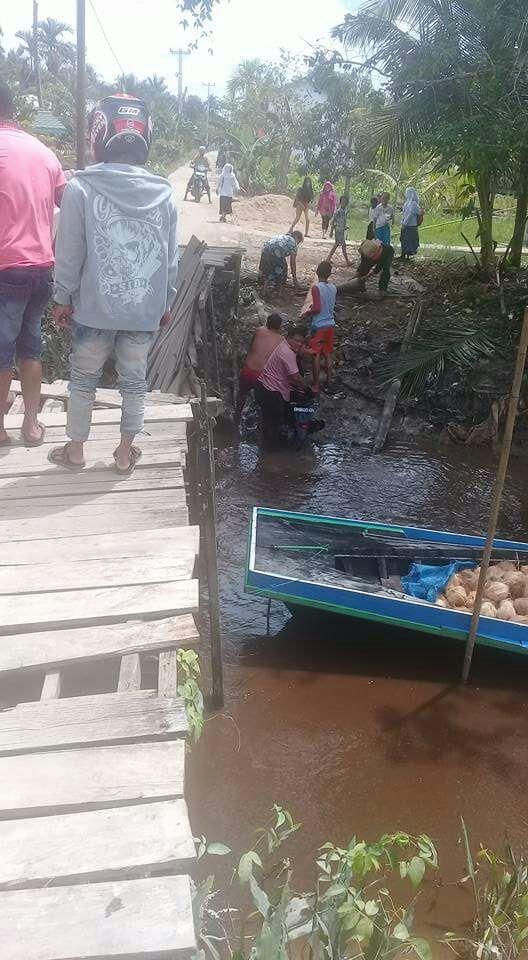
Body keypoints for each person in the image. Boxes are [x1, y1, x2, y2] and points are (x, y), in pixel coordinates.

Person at [49, 93, 179, 474]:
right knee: (134, 383)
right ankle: (124, 454)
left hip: (93, 308)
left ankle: (75, 450)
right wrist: (166, 303)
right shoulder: (165, 195)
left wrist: (61, 297)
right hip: (142, 313)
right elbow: (170, 260)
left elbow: (69, 254)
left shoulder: (81, 188)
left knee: (83, 380)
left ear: (99, 133)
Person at [0, 79, 66, 448]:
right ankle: (31, 424)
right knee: (31, 347)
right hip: (42, 268)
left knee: (1, 352)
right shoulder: (44, 153)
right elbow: (69, 205)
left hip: (5, 270)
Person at [254, 325, 308, 446]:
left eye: (301, 342)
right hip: (270, 391)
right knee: (275, 423)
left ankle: (266, 448)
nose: (299, 344)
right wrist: (308, 389)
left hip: (264, 387)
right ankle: (275, 454)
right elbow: (295, 377)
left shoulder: (285, 346)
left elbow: (289, 377)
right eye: (296, 340)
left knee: (269, 420)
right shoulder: (287, 353)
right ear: (288, 338)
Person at [235, 313, 284, 424]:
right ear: (279, 327)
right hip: (261, 376)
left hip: (247, 370)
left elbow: (252, 346)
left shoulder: (259, 330)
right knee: (264, 402)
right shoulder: (281, 340)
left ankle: (236, 417)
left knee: (242, 394)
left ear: (267, 322)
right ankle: (262, 423)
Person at [301, 261, 337, 394]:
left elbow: (317, 308)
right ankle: (329, 382)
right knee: (328, 354)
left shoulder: (316, 288)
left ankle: (316, 385)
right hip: (331, 324)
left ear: (317, 272)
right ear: (329, 274)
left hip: (319, 325)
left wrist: (307, 313)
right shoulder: (333, 287)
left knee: (315, 354)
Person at [327, 196, 351, 266]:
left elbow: (340, 222)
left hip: (341, 230)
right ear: (340, 202)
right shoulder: (339, 211)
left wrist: (344, 227)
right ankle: (347, 261)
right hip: (338, 231)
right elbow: (333, 221)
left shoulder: (343, 211)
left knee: (336, 244)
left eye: (345, 202)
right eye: (343, 202)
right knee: (343, 245)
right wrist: (331, 231)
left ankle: (328, 258)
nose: (344, 204)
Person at [400, 186, 422, 258]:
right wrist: (403, 222)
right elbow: (404, 214)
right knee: (404, 240)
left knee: (409, 241)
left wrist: (404, 223)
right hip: (408, 225)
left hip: (411, 225)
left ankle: (407, 256)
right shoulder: (407, 203)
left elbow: (410, 215)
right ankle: (404, 254)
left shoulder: (413, 204)